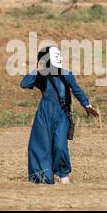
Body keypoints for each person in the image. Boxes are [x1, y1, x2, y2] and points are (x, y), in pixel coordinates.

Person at [20, 46, 99, 184]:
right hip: (44, 115)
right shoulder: (42, 77)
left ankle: (64, 176)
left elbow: (76, 90)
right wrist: (38, 69)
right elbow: (24, 83)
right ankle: (43, 178)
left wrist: (87, 105)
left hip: (62, 115)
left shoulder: (66, 74)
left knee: (60, 146)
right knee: (41, 146)